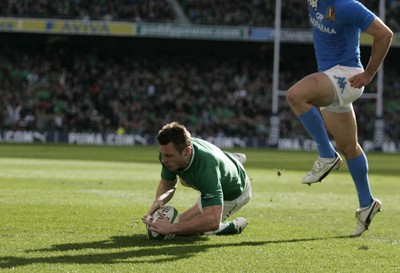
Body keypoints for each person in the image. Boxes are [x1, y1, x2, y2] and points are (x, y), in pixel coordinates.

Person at [286, 0, 393, 236]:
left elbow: (385, 34)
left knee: (295, 96)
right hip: (332, 77)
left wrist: (369, 73)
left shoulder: (347, 5)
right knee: (349, 147)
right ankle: (367, 205)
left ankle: (326, 155)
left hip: (347, 75)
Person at [142, 122, 252, 236]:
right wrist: (159, 200)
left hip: (233, 192)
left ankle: (227, 227)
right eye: (162, 154)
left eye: (169, 156)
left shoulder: (206, 169)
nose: (163, 160)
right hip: (214, 167)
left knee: (184, 229)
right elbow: (168, 183)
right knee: (185, 181)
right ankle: (231, 159)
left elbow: (212, 220)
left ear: (187, 151)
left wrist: (171, 228)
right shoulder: (170, 151)